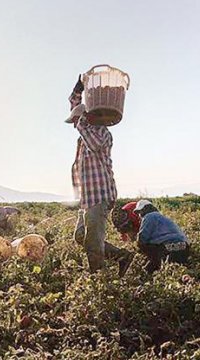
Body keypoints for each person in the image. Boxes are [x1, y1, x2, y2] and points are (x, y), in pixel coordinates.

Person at [68, 75, 134, 277]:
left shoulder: (101, 133)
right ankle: (122, 256)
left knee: (92, 243)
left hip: (100, 196)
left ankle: (99, 280)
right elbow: (76, 108)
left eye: (77, 121)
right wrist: (77, 91)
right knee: (81, 236)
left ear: (87, 118)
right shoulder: (85, 133)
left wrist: (81, 121)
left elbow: (93, 143)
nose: (74, 124)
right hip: (87, 198)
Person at [132, 200, 190, 273]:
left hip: (166, 248)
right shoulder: (163, 217)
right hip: (184, 248)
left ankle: (149, 268)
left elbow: (142, 237)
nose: (139, 215)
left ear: (144, 210)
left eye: (139, 212)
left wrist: (138, 249)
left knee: (144, 247)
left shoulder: (149, 216)